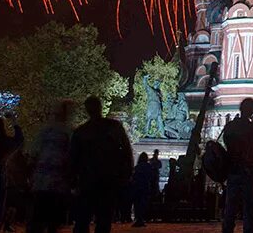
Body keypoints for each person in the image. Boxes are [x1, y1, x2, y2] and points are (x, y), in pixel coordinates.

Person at [70, 95, 133, 233]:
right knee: (103, 220)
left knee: (83, 219)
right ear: (100, 107)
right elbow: (127, 151)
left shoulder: (81, 132)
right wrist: (126, 174)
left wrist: (73, 180)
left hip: (88, 180)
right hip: (108, 179)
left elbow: (73, 159)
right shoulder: (114, 127)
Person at [28, 101, 73, 233]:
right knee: (53, 221)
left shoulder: (44, 132)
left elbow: (33, 154)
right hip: (58, 183)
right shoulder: (68, 132)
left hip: (42, 181)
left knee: (38, 219)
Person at [221, 98, 253, 233]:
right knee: (249, 209)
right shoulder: (252, 128)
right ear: (252, 111)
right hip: (249, 170)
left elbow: (226, 142)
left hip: (233, 170)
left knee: (230, 207)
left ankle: (227, 230)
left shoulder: (231, 126)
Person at [130, 153, 157, 227]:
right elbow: (151, 177)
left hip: (137, 187)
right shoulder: (148, 167)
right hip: (145, 187)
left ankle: (138, 219)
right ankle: (141, 219)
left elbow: (133, 177)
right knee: (143, 204)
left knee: (137, 204)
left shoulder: (137, 167)